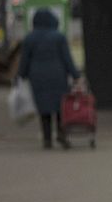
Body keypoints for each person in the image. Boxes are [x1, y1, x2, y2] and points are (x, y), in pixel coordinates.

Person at [17, 8, 82, 149]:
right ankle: (61, 132)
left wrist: (21, 75)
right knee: (60, 106)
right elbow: (67, 59)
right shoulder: (58, 37)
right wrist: (76, 75)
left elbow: (24, 60)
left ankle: (47, 139)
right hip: (58, 75)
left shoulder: (30, 38)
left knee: (43, 107)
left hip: (37, 77)